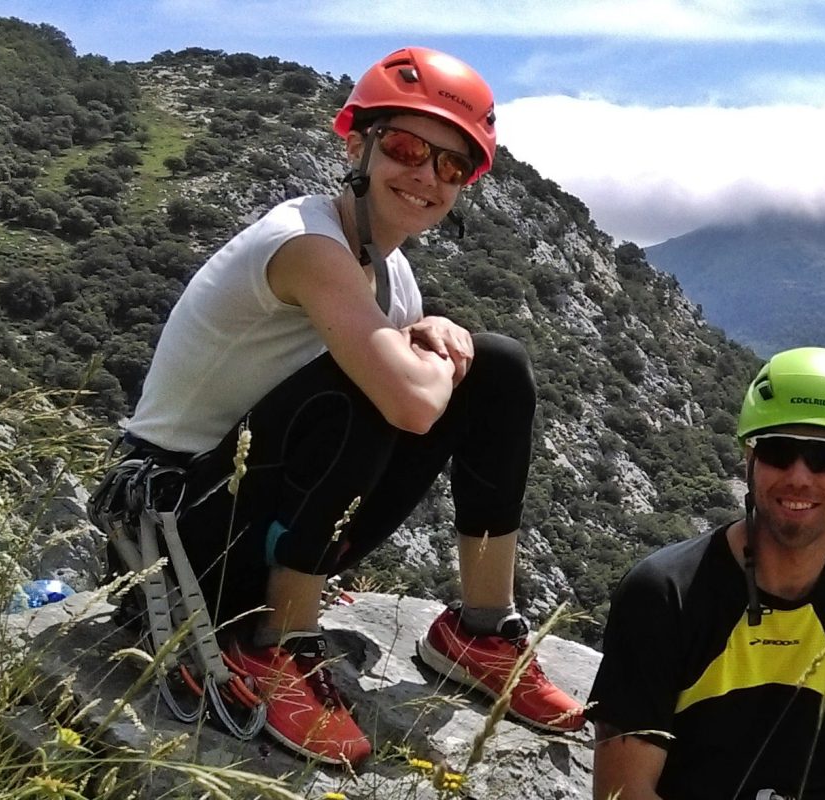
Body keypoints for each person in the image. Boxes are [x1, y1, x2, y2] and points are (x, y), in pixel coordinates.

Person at [111, 46, 583, 766]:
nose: (424, 175)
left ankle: (480, 629)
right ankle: (277, 644)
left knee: (499, 369)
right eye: (404, 147)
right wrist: (422, 345)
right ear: (357, 144)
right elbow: (410, 403)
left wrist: (429, 332)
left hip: (250, 522)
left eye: (450, 165)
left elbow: (413, 388)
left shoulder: (392, 276)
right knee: (375, 384)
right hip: (173, 539)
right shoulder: (306, 243)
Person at [588, 347, 825, 800]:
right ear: (749, 459)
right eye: (778, 451)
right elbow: (624, 793)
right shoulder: (664, 595)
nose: (798, 476)